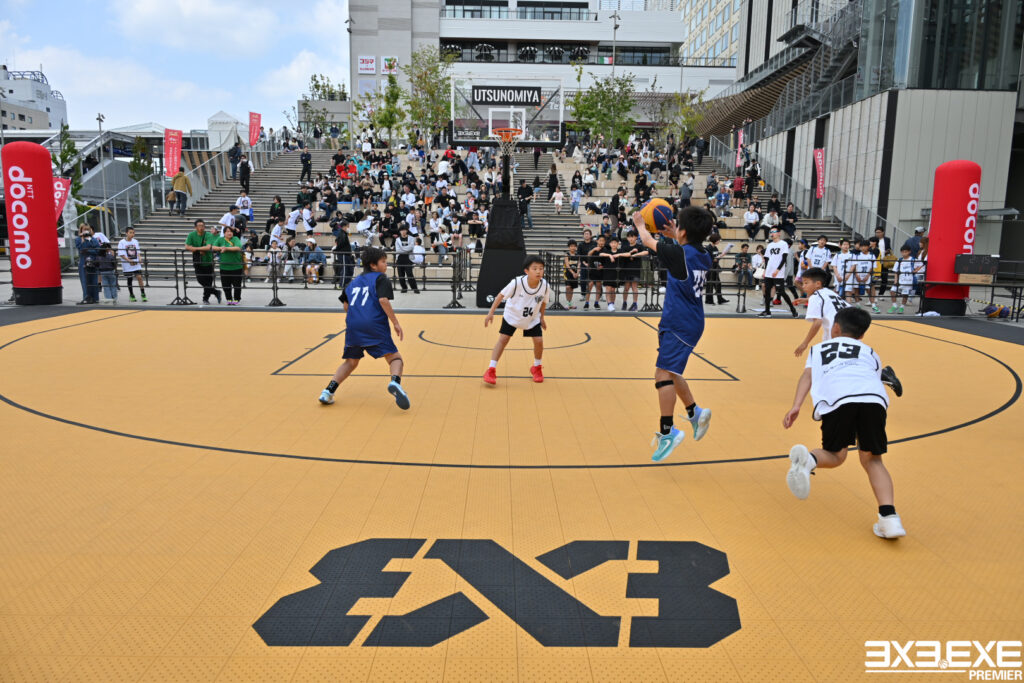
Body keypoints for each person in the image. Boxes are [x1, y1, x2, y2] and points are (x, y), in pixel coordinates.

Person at [782, 307, 906, 539]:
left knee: (836, 455)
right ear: (862, 334)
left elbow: (808, 376)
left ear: (835, 328)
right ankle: (890, 520)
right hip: (873, 399)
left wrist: (796, 405)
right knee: (873, 460)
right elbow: (873, 375)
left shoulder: (819, 349)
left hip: (838, 399)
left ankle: (809, 460)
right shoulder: (870, 351)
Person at [632, 206, 714, 462]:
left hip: (679, 322)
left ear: (684, 231)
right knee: (672, 371)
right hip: (689, 320)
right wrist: (675, 235)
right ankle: (694, 412)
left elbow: (647, 240)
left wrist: (640, 223)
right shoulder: (705, 254)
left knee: (661, 375)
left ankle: (668, 431)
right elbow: (686, 250)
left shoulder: (679, 254)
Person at [318, 247, 410, 410]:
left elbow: (346, 305)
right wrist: (395, 322)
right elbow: (383, 300)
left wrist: (358, 316)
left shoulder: (353, 282)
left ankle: (328, 391)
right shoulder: (381, 278)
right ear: (373, 265)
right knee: (395, 358)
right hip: (374, 324)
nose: (386, 265)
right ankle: (395, 382)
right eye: (384, 261)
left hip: (353, 325)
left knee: (351, 362)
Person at [482, 255, 550, 386]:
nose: (538, 271)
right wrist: (491, 313)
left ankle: (537, 367)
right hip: (512, 315)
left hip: (531, 318)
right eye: (535, 268)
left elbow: (543, 302)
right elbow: (500, 295)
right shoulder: (517, 283)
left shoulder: (545, 286)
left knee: (539, 341)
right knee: (503, 339)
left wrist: (542, 318)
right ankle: (491, 369)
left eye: (541, 268)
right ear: (526, 271)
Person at [759, 228, 798, 317]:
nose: (772, 233)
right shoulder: (770, 245)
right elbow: (767, 259)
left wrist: (778, 269)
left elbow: (784, 259)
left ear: (779, 233)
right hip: (769, 272)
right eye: (771, 232)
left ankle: (793, 309)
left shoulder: (783, 244)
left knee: (781, 292)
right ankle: (767, 311)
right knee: (767, 291)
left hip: (778, 273)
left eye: (774, 232)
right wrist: (765, 270)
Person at [185, 220, 221, 304]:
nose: (201, 227)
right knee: (200, 280)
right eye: (199, 226)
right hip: (197, 261)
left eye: (202, 225)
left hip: (208, 261)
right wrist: (199, 250)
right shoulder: (191, 235)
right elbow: (187, 246)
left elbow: (208, 247)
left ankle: (205, 299)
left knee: (208, 281)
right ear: (195, 227)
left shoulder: (208, 235)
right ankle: (216, 292)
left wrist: (195, 249)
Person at [888, 245, 924, 314]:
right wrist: (895, 280)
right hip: (900, 279)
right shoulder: (899, 260)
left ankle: (902, 307)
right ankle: (894, 305)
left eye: (906, 252)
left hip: (908, 280)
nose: (904, 253)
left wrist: (915, 270)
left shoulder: (913, 260)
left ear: (909, 252)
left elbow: (922, 265)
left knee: (905, 294)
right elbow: (896, 271)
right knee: (892, 291)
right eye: (903, 252)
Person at [214, 225, 244, 305]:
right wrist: (221, 248)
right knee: (226, 285)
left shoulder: (235, 239)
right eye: (227, 231)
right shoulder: (220, 239)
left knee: (237, 285)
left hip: (236, 267)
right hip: (224, 267)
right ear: (224, 233)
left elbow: (238, 248)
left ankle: (237, 299)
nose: (229, 233)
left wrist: (226, 248)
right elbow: (213, 247)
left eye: (231, 231)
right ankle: (229, 299)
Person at [620, 231, 649, 312]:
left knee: (634, 287)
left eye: (632, 236)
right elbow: (622, 255)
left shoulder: (639, 246)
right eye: (629, 237)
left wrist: (635, 255)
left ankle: (635, 304)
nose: (631, 238)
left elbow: (646, 252)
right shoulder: (625, 246)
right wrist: (630, 253)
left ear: (636, 237)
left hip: (635, 269)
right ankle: (624, 302)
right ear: (627, 238)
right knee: (626, 288)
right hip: (626, 269)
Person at [117, 226, 147, 302]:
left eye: (133, 233)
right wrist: (129, 260)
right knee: (129, 279)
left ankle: (143, 293)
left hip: (136, 263)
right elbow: (121, 254)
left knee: (139, 277)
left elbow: (138, 252)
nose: (132, 234)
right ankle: (131, 294)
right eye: (130, 233)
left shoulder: (135, 241)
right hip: (127, 265)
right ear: (126, 233)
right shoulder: (121, 242)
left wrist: (139, 258)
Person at [75, 225, 101, 304]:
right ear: (81, 230)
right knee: (85, 280)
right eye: (84, 229)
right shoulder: (78, 239)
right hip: (83, 262)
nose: (86, 231)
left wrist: (88, 250)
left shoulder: (94, 239)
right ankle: (86, 297)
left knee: (94, 280)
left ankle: (95, 298)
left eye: (88, 229)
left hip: (93, 261)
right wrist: (83, 239)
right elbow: (81, 249)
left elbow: (97, 250)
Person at [704, 232, 731, 306]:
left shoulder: (715, 248)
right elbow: (711, 259)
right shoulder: (708, 248)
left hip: (715, 268)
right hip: (710, 268)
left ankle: (720, 299)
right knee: (710, 284)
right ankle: (709, 300)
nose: (719, 241)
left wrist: (721, 255)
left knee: (718, 284)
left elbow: (716, 258)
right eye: (718, 240)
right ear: (715, 240)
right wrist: (721, 255)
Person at [394, 226, 419, 294]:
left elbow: (411, 247)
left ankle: (415, 288)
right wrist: (406, 250)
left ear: (407, 230)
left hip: (408, 258)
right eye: (402, 230)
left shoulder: (411, 238)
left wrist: (402, 249)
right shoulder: (397, 240)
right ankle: (404, 288)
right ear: (400, 231)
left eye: (404, 230)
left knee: (409, 273)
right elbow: (398, 250)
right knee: (401, 274)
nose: (403, 231)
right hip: (400, 258)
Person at [564, 240, 581, 310]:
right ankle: (567, 303)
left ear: (576, 247)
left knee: (572, 289)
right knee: (568, 287)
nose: (573, 248)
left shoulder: (578, 255)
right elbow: (567, 265)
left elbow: (579, 264)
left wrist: (577, 273)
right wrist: (573, 273)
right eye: (571, 246)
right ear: (569, 247)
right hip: (568, 274)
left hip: (575, 274)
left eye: (574, 246)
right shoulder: (567, 255)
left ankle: (570, 303)